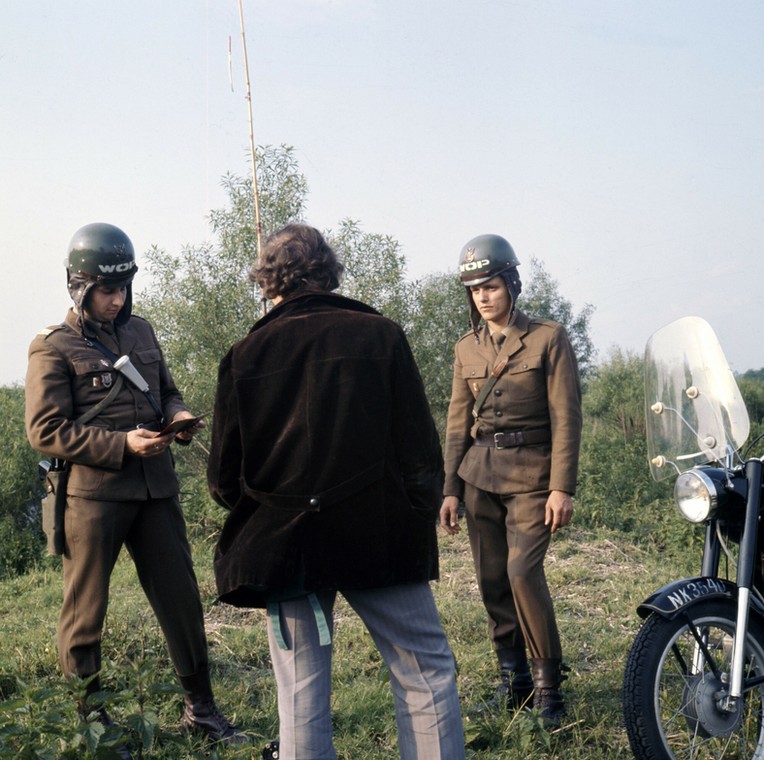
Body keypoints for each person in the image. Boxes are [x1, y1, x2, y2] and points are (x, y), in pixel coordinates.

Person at [207, 223, 466, 760]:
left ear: (269, 282)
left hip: (286, 545)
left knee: (300, 691)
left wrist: (274, 507)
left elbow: (224, 481)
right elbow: (419, 452)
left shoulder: (245, 354)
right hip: (380, 535)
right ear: (328, 272)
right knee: (426, 673)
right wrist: (415, 521)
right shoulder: (381, 334)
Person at [25, 222, 247, 755]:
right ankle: (93, 725)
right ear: (80, 287)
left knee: (182, 601)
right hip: (94, 498)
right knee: (85, 614)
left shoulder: (141, 332)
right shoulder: (51, 348)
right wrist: (122, 445)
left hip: (155, 492)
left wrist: (180, 413)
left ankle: (201, 709)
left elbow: (165, 392)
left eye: (124, 287)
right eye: (107, 289)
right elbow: (46, 430)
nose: (117, 298)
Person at [439, 234, 582, 725]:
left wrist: (561, 486)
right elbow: (458, 423)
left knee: (523, 573)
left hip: (533, 477)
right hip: (479, 476)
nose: (483, 296)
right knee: (493, 579)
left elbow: (568, 417)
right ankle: (514, 681)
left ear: (512, 285)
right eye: (475, 289)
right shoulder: (465, 349)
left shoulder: (548, 338)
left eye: (492, 286)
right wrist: (451, 490)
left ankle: (548, 691)